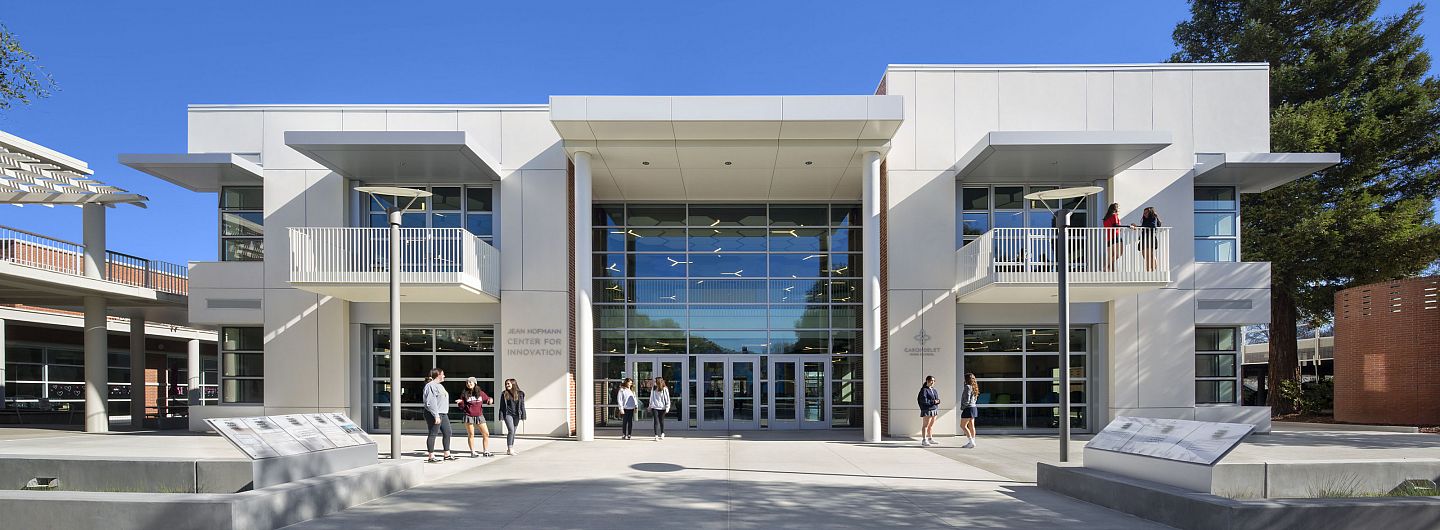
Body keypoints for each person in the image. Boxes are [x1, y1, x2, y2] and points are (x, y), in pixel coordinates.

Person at [422, 368, 455, 463]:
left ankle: (447, 454)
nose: (444, 376)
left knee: (448, 432)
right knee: (433, 433)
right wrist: (436, 415)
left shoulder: (440, 386)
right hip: (434, 413)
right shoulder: (430, 386)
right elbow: (430, 402)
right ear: (438, 375)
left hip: (443, 413)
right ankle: (431, 456)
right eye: (443, 374)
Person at [456, 377, 493, 458]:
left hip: (479, 415)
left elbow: (487, 399)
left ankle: (486, 451)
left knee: (486, 433)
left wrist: (490, 400)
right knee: (471, 434)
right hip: (469, 416)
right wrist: (460, 403)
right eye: (467, 383)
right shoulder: (464, 393)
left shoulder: (481, 393)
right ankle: (473, 452)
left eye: (470, 382)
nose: (469, 384)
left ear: (475, 383)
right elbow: (461, 407)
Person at [1102, 203, 1136, 271]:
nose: (1119, 210)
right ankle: (1105, 267)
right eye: (1119, 208)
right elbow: (1115, 225)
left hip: (1109, 238)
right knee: (1119, 253)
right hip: (1115, 236)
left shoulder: (1106, 217)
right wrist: (1128, 226)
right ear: (1116, 209)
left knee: (1111, 256)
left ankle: (1111, 273)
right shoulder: (1114, 215)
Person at [498, 378, 526, 455]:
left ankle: (510, 448)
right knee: (511, 431)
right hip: (507, 414)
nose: (507, 385)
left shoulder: (520, 393)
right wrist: (501, 416)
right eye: (506, 384)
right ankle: (510, 449)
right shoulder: (504, 393)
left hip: (517, 414)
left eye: (508, 384)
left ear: (513, 384)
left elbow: (522, 405)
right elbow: (502, 406)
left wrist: (523, 415)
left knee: (513, 432)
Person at [917, 375, 940, 446]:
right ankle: (924, 440)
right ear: (927, 381)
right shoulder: (924, 390)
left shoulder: (934, 390)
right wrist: (934, 402)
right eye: (931, 380)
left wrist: (938, 401)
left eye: (934, 381)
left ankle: (930, 438)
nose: (932, 382)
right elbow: (923, 400)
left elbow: (937, 399)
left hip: (934, 409)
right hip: (927, 410)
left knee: (931, 425)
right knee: (925, 425)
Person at [960, 373, 980, 448]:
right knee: (971, 426)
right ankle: (973, 442)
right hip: (973, 408)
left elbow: (967, 400)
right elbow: (975, 399)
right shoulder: (974, 387)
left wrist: (963, 407)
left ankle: (971, 442)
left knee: (963, 426)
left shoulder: (968, 387)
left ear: (966, 379)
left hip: (968, 408)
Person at [1139, 206, 1162, 272]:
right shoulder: (1145, 220)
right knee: (1145, 256)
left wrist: (1139, 227)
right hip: (1144, 238)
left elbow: (1153, 226)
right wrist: (1138, 227)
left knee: (1150, 255)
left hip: (1150, 238)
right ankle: (1149, 271)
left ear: (1150, 213)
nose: (1144, 214)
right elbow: (1144, 227)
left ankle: (1154, 271)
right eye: (1144, 213)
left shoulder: (1153, 218)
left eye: (1146, 213)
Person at [649, 376, 671, 441]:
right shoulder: (653, 388)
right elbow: (651, 397)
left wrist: (667, 407)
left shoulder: (665, 389)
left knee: (661, 421)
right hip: (655, 407)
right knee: (656, 421)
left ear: (659, 382)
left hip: (662, 407)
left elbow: (667, 398)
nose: (654, 382)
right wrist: (650, 405)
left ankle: (662, 433)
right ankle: (656, 435)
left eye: (655, 381)